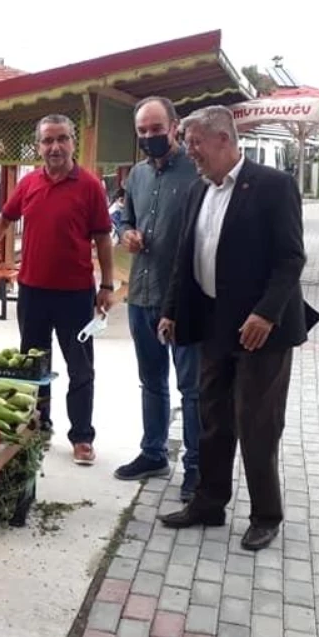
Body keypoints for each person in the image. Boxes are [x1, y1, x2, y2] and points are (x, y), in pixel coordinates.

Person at [156, 106, 319, 551]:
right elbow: (183, 260)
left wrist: (266, 313)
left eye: (195, 145)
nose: (190, 153)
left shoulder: (273, 186)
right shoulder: (198, 191)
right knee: (213, 417)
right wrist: (171, 310)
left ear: (223, 141)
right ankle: (209, 503)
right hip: (214, 325)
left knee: (258, 423)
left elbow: (291, 258)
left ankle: (266, 515)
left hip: (260, 332)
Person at [0, 114, 115, 466]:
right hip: (33, 292)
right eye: (47, 141)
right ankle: (39, 424)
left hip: (76, 295)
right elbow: (5, 219)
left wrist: (108, 284)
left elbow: (102, 238)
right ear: (39, 146)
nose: (54, 147)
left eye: (61, 139)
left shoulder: (90, 185)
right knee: (34, 365)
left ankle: (82, 436)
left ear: (72, 143)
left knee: (81, 369)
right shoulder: (29, 183)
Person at [114, 97, 202, 501]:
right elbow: (125, 218)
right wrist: (126, 233)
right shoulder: (136, 176)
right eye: (142, 131)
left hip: (181, 298)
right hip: (141, 294)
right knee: (151, 381)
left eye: (155, 129)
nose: (149, 137)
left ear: (175, 126)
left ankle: (197, 467)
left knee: (191, 387)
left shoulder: (197, 174)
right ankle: (153, 453)